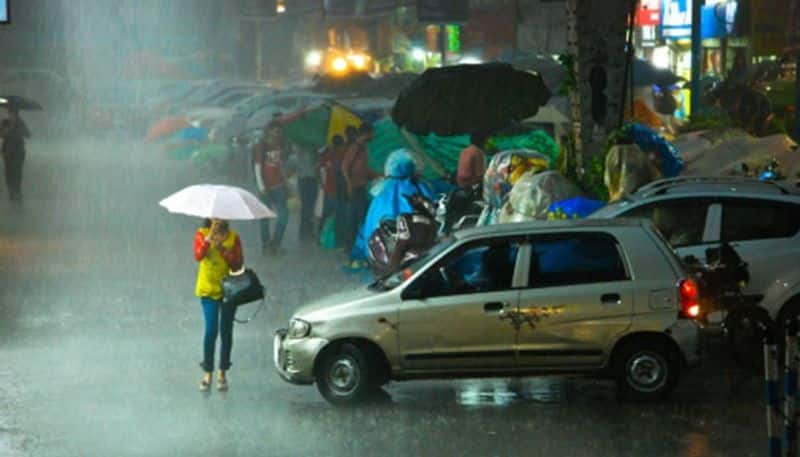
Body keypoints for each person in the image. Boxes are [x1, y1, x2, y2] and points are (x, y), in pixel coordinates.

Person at [193, 218, 243, 391]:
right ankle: (208, 371)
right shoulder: (201, 234)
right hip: (208, 290)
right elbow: (198, 255)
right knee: (211, 329)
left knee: (226, 331)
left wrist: (222, 249)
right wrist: (209, 240)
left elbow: (238, 264)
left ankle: (223, 371)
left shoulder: (233, 237)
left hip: (228, 291)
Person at [341, 123, 378, 256]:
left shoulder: (362, 149)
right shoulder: (355, 148)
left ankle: (356, 246)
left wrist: (379, 175)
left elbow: (363, 169)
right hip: (355, 189)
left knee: (359, 217)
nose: (374, 136)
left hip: (360, 187)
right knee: (356, 218)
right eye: (372, 133)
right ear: (366, 134)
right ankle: (351, 247)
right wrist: (349, 186)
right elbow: (345, 168)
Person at [253, 121, 289, 255]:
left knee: (284, 216)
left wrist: (286, 183)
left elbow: (280, 166)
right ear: (268, 131)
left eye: (279, 131)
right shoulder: (261, 146)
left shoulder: (280, 145)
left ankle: (276, 243)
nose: (277, 134)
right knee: (264, 218)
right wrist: (261, 187)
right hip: (266, 188)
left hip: (279, 186)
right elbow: (257, 167)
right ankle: (266, 246)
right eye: (275, 131)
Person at [0, 107, 31, 207]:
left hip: (18, 155)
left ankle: (18, 204)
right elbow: (1, 134)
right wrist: (8, 128)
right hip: (7, 155)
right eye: (10, 113)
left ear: (16, 114)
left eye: (12, 113)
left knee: (16, 180)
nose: (10, 115)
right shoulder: (5, 122)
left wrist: (19, 129)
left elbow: (28, 135)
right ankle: (13, 202)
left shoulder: (20, 123)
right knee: (9, 179)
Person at [292, 142, 318, 243]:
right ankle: (306, 229)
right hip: (309, 179)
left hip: (304, 179)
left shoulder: (299, 150)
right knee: (308, 206)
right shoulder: (311, 149)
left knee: (307, 206)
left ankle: (305, 229)